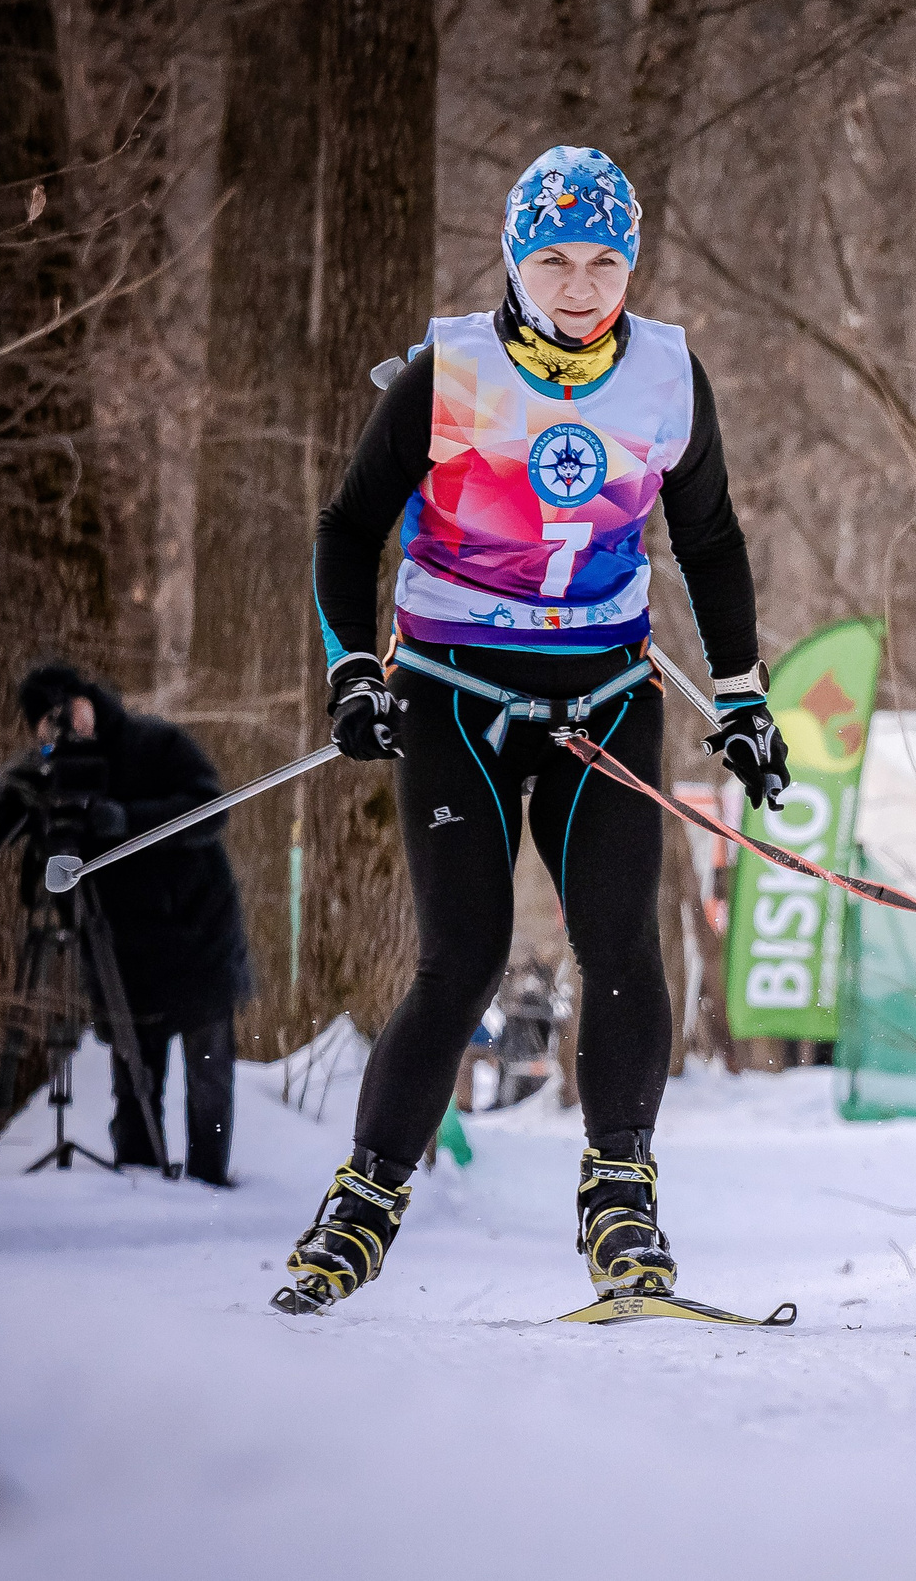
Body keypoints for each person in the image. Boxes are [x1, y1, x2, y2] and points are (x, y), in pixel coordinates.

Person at [274, 146, 787, 1315]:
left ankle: (621, 1201)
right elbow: (348, 528)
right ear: (513, 260)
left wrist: (743, 697)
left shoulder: (665, 375)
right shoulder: (450, 371)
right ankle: (362, 1204)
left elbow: (709, 540)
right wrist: (353, 672)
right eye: (553, 261)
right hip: (456, 691)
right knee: (465, 957)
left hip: (603, 692)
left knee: (621, 944)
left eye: (605, 261)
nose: (579, 287)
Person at [0, 662, 252, 1185]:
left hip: (197, 936)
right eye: (49, 720)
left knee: (208, 1072)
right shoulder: (48, 773)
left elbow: (212, 809)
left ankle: (209, 1186)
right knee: (134, 1073)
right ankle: (139, 1179)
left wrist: (126, 820)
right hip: (120, 949)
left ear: (88, 699)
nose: (68, 725)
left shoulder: (153, 743)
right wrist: (5, 786)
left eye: (69, 709)